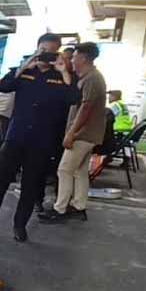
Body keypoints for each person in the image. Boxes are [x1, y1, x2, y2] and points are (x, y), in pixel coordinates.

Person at [0, 33, 79, 242]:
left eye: (52, 51)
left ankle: (20, 226)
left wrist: (64, 71)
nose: (47, 55)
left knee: (30, 185)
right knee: (0, 181)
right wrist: (25, 65)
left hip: (42, 141)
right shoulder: (24, 71)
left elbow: (74, 98)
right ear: (38, 49)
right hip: (16, 136)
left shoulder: (63, 77)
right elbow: (3, 86)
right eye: (43, 50)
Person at [39, 42, 106, 224]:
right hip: (89, 134)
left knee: (64, 170)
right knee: (79, 171)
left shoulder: (91, 78)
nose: (72, 60)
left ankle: (59, 209)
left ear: (83, 58)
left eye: (74, 56)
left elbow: (86, 108)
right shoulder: (91, 76)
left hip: (83, 134)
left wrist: (71, 134)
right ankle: (78, 206)